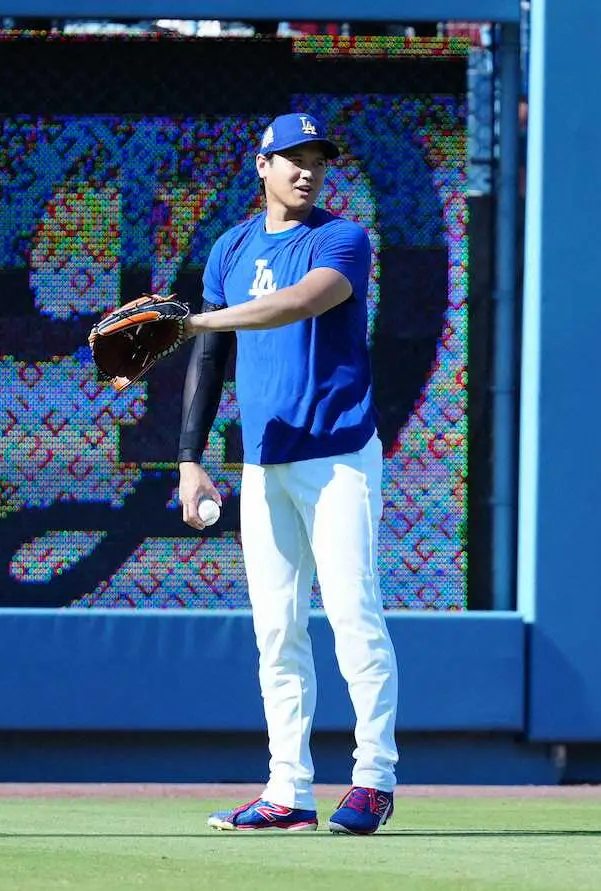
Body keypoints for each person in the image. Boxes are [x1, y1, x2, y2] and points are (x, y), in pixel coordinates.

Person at [177, 112, 398, 835]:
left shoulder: (341, 238)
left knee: (352, 615)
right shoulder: (231, 248)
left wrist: (201, 321)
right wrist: (189, 459)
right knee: (276, 629)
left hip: (338, 456)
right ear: (262, 165)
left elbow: (296, 304)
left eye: (318, 160)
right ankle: (287, 789)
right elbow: (210, 362)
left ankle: (374, 777)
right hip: (266, 461)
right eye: (292, 158)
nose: (308, 170)